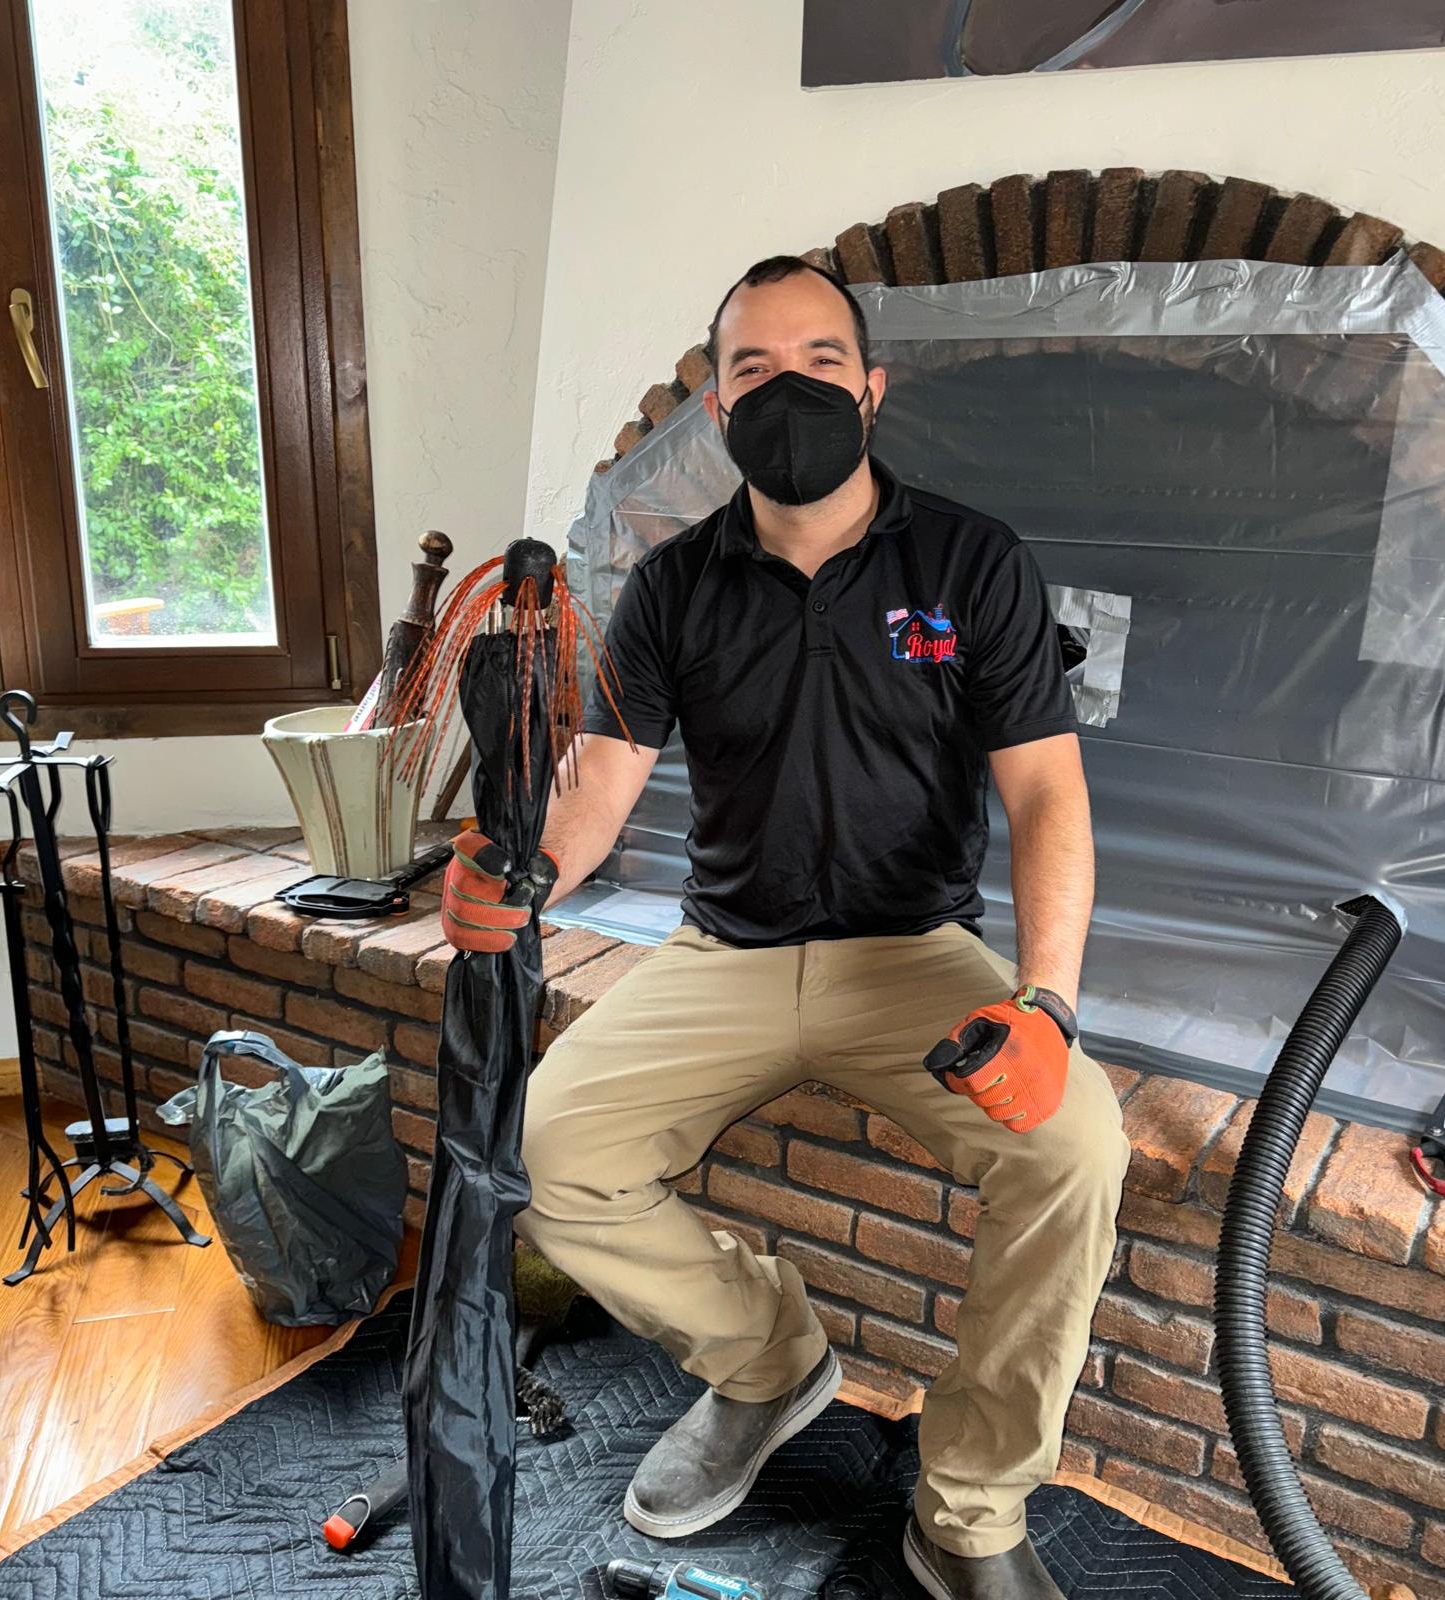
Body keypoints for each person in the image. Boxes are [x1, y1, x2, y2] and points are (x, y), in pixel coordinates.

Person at [439, 255, 1130, 1600]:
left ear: (871, 389)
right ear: (716, 401)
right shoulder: (674, 587)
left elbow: (1049, 793)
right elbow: (602, 784)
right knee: (550, 1147)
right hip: (728, 951)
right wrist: (516, 873)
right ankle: (765, 1361)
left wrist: (1047, 1004)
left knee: (1077, 1150)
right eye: (752, 368)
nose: (788, 389)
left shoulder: (969, 561)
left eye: (818, 362)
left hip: (913, 955)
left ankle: (971, 1509)